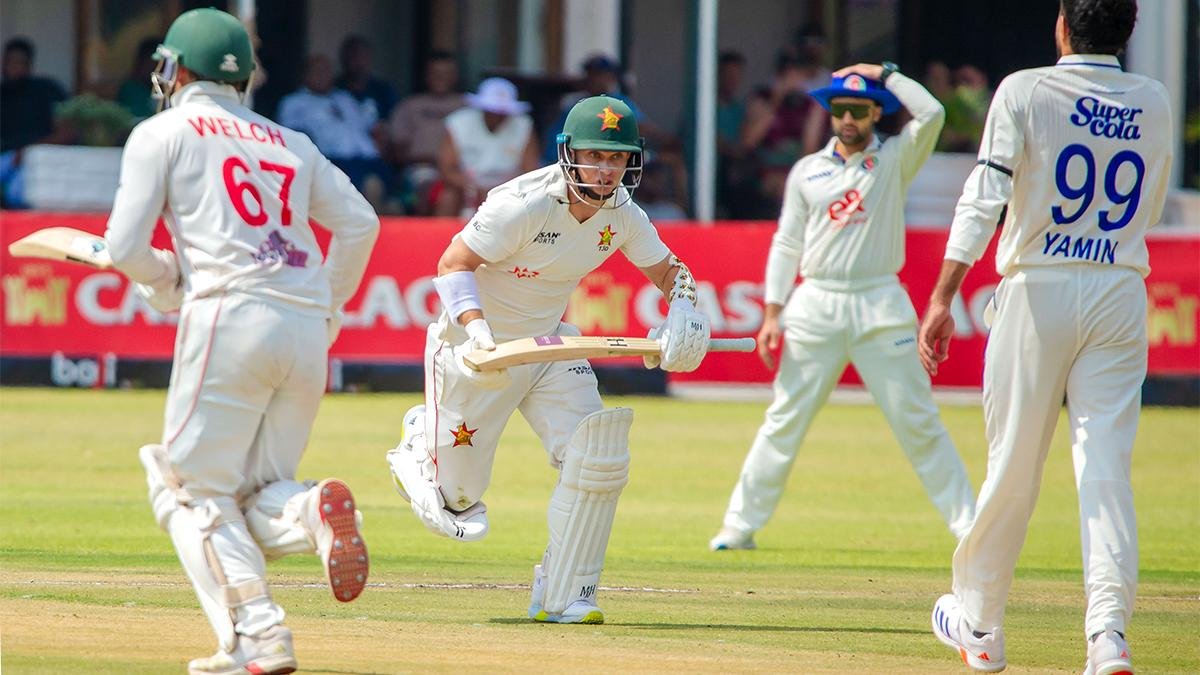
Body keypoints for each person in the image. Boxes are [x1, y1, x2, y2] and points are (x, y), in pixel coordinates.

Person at [102, 9, 380, 674]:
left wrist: (167, 281)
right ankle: (311, 509)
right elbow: (361, 223)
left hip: (230, 316)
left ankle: (258, 632)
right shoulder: (291, 140)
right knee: (251, 493)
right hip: (305, 328)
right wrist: (329, 305)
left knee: (185, 486)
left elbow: (123, 248)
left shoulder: (161, 133)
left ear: (177, 68)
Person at [385, 95, 712, 624]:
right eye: (595, 156)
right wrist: (477, 331)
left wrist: (685, 315)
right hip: (479, 351)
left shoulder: (623, 215)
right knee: (457, 504)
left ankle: (565, 593)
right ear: (568, 153)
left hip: (551, 345)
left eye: (618, 157)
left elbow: (672, 273)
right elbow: (452, 263)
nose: (607, 170)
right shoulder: (523, 203)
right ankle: (421, 442)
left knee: (597, 454)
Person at [919, 1, 1172, 672]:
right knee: (1106, 470)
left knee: (1014, 464)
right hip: (1119, 283)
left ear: (1063, 26)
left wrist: (944, 293)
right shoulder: (1153, 99)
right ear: (1129, 30)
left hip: (1039, 284)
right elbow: (1151, 201)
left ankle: (979, 623)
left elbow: (985, 196)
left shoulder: (1025, 89)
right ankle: (1107, 636)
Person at [709, 63, 976, 552]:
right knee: (785, 418)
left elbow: (932, 112)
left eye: (857, 110)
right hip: (817, 302)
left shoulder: (896, 157)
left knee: (918, 421)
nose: (847, 119)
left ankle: (970, 528)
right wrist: (772, 312)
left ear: (876, 111)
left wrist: (885, 72)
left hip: (879, 301)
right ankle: (739, 526)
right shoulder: (808, 170)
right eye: (839, 109)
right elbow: (786, 242)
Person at [278, 54, 391, 209]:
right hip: (332, 162)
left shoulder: (345, 98)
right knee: (370, 189)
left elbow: (370, 126)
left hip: (369, 160)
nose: (323, 75)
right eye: (317, 71)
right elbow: (291, 136)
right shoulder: (294, 102)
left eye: (327, 70)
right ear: (305, 74)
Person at [739, 47, 829, 218]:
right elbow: (748, 142)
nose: (793, 81)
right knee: (783, 187)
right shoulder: (762, 99)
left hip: (796, 168)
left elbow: (809, 150)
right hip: (763, 170)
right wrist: (776, 100)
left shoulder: (811, 106)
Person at [435, 77, 539, 218]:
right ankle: (441, 237)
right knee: (448, 196)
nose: (496, 115)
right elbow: (447, 170)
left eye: (502, 112)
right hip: (467, 186)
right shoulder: (458, 123)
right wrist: (474, 189)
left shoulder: (523, 126)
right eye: (491, 110)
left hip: (509, 187)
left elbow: (530, 172)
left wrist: (502, 191)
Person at [388, 50, 464, 213]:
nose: (441, 78)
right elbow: (398, 153)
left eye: (446, 73)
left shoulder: (467, 106)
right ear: (426, 75)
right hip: (421, 169)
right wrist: (436, 161)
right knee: (429, 185)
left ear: (455, 76)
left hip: (462, 170)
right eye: (436, 73)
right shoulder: (410, 105)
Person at [0, 37, 69, 207]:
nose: (14, 67)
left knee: (19, 192)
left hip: (39, 161)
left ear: (30, 64)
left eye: (20, 62)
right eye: (10, 61)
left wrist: (29, 151)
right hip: (3, 159)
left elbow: (67, 131)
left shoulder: (46, 90)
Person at [116, 37, 160, 120]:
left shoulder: (163, 89)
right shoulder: (130, 89)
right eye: (153, 63)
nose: (157, 69)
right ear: (141, 62)